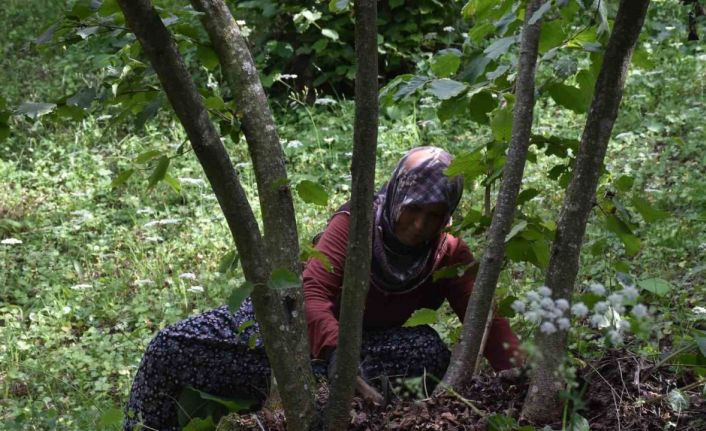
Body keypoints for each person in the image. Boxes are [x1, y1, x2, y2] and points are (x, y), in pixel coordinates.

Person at [124, 147, 521, 431]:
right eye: (413, 210)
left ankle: (319, 388)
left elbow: (483, 317)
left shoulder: (447, 252)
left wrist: (520, 373)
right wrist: (335, 361)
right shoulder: (355, 227)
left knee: (430, 352)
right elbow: (311, 294)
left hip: (360, 349)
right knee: (168, 348)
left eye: (433, 216)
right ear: (398, 195)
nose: (418, 226)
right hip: (290, 332)